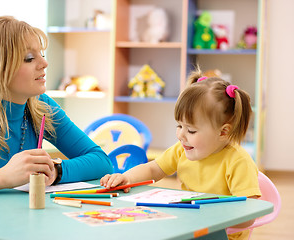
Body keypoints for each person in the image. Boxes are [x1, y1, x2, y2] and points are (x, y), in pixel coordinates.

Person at [0, 16, 113, 197]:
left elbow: (101, 161)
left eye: (41, 55)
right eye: (29, 58)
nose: (44, 63)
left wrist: (55, 171)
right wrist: (2, 177)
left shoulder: (41, 106)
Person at [100, 68, 261, 240]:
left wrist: (209, 218)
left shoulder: (238, 161)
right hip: (190, 226)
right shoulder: (181, 149)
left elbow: (248, 215)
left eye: (191, 130)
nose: (181, 135)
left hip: (221, 234)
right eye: (179, 126)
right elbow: (154, 169)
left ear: (223, 132)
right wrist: (127, 178)